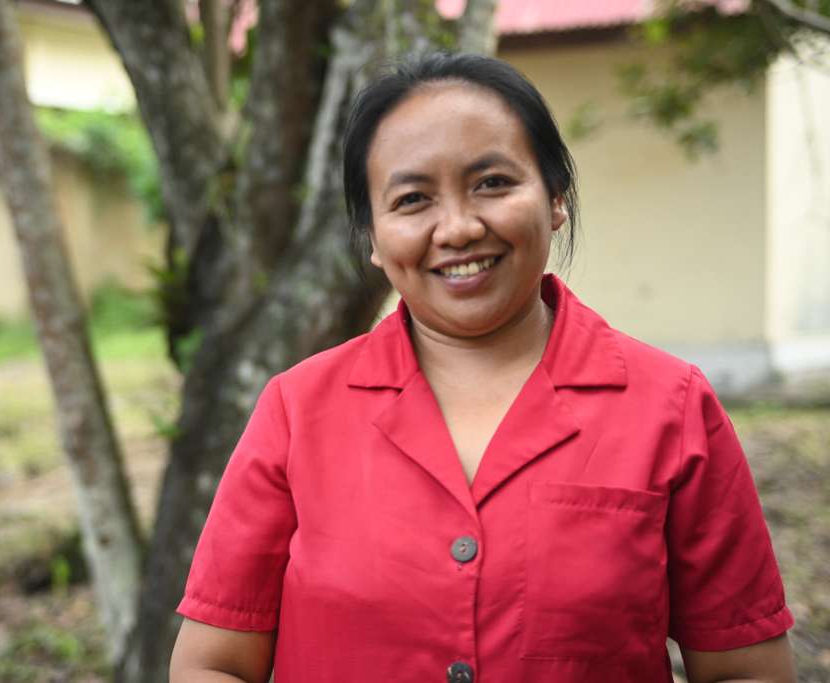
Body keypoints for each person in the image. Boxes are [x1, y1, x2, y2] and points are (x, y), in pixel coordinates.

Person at [169, 53, 796, 683]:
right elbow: (213, 665)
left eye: (492, 183)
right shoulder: (297, 410)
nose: (459, 228)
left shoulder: (670, 406)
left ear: (555, 197)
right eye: (412, 199)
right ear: (373, 238)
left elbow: (748, 670)